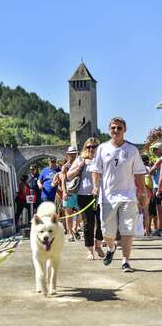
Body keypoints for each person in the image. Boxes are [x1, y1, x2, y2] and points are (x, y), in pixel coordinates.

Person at [91, 117, 148, 272]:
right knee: (107, 232)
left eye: (119, 128)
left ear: (125, 130)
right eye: (113, 128)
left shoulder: (132, 150)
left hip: (128, 196)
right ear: (109, 130)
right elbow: (96, 170)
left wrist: (142, 192)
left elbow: (139, 173)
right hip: (108, 197)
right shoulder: (102, 148)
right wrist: (96, 187)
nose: (116, 131)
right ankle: (111, 247)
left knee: (127, 230)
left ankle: (126, 261)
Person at [68, 137, 104, 260]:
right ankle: (90, 250)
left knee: (101, 222)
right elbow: (68, 175)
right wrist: (79, 168)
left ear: (98, 148)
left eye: (94, 147)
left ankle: (98, 245)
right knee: (88, 223)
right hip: (83, 196)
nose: (91, 149)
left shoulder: (103, 159)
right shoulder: (80, 159)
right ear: (85, 148)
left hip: (101, 196)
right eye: (88, 147)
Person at [61, 146, 80, 242]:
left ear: (76, 154)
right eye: (71, 153)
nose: (72, 155)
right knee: (68, 214)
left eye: (74, 153)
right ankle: (71, 234)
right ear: (68, 154)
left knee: (80, 212)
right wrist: (64, 192)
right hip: (68, 192)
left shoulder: (80, 165)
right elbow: (63, 180)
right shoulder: (65, 167)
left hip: (79, 192)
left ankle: (75, 228)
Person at [148, 142, 162, 235]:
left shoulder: (159, 160)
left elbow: (151, 171)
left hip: (158, 187)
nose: (154, 151)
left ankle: (160, 229)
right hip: (158, 186)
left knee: (159, 210)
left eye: (156, 149)